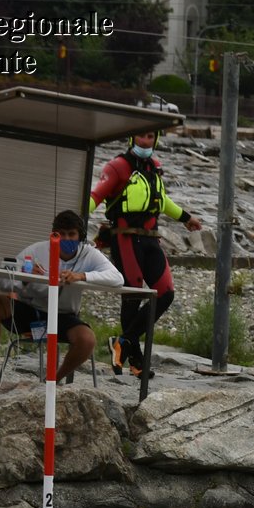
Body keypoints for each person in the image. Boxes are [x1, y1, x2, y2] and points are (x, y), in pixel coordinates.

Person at [88, 130, 203, 378]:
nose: (145, 141)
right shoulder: (118, 167)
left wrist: (186, 218)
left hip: (151, 240)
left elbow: (162, 201)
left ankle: (123, 342)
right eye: (141, 136)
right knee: (133, 294)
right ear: (132, 138)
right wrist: (72, 220)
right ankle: (137, 362)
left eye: (150, 137)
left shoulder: (154, 167)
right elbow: (95, 197)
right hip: (126, 237)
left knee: (166, 293)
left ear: (156, 140)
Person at [3, 210, 122, 381]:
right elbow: (3, 281)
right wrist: (24, 278)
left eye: (71, 234)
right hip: (31, 310)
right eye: (61, 234)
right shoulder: (36, 250)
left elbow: (117, 278)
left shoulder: (89, 253)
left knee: (87, 340)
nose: (66, 239)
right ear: (53, 234)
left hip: (63, 317)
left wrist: (82, 276)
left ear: (80, 236)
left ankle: (53, 380)